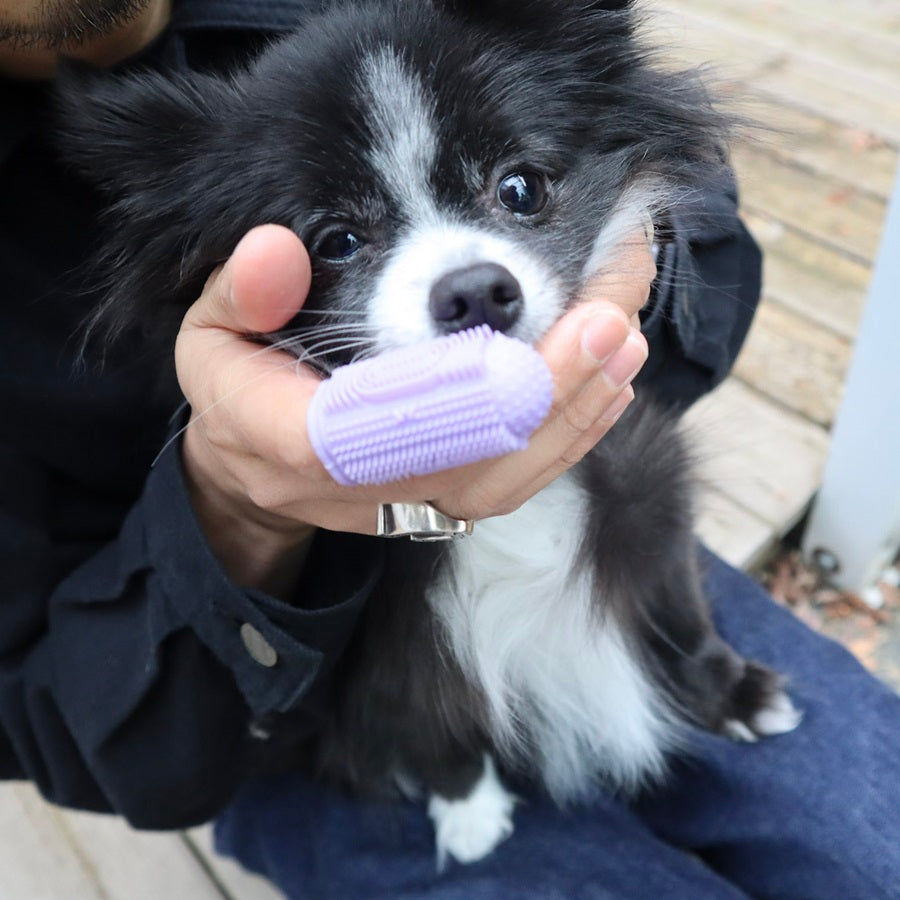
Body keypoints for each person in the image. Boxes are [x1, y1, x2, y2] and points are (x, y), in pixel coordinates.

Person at [1, 1, 898, 898]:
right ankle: (452, 775)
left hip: (614, 564)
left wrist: (627, 305)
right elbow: (71, 730)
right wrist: (239, 506)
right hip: (294, 717)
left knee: (873, 842)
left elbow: (689, 213)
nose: (467, 278)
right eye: (343, 241)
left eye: (516, 192)